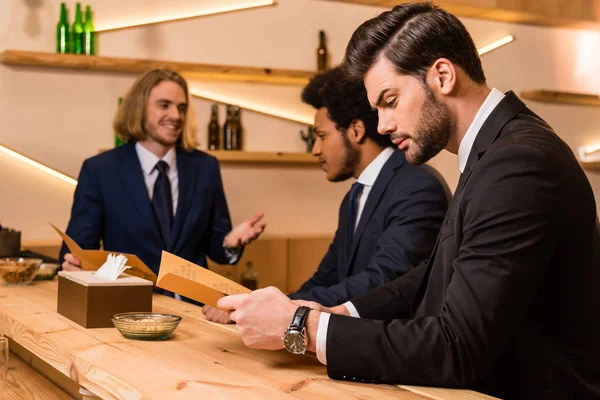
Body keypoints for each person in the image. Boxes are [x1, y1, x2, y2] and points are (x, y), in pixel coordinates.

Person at [215, 3, 600, 399]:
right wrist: (335, 314)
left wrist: (302, 328)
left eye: (390, 100)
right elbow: (433, 273)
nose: (382, 125)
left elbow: (458, 348)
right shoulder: (497, 150)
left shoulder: (518, 162)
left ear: (443, 76)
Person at [202, 67, 448, 323]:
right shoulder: (353, 197)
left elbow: (384, 279)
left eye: (320, 136)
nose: (315, 150)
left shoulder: (417, 186)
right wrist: (266, 306)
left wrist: (286, 310)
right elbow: (327, 276)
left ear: (356, 130)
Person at [59, 69, 266, 303]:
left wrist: (229, 243)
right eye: (164, 105)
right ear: (139, 108)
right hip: (126, 309)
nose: (175, 115)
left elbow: (216, 251)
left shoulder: (205, 167)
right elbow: (79, 250)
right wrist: (76, 266)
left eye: (181, 107)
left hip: (195, 311)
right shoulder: (100, 170)